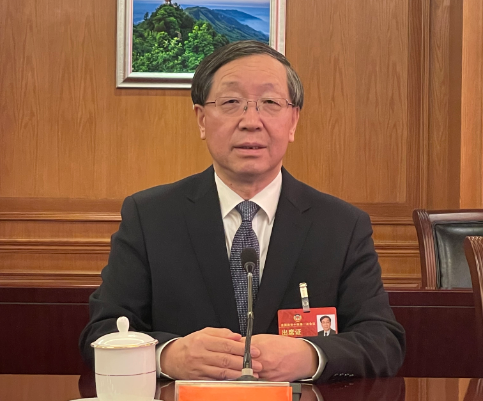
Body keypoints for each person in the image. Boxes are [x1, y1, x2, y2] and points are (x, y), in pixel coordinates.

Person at [79, 40, 405, 382]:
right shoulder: (150, 217)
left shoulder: (341, 225)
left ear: (293, 121)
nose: (251, 121)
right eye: (231, 102)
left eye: (270, 103)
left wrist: (310, 356)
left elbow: (383, 341)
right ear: (202, 119)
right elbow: (102, 333)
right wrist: (169, 355)